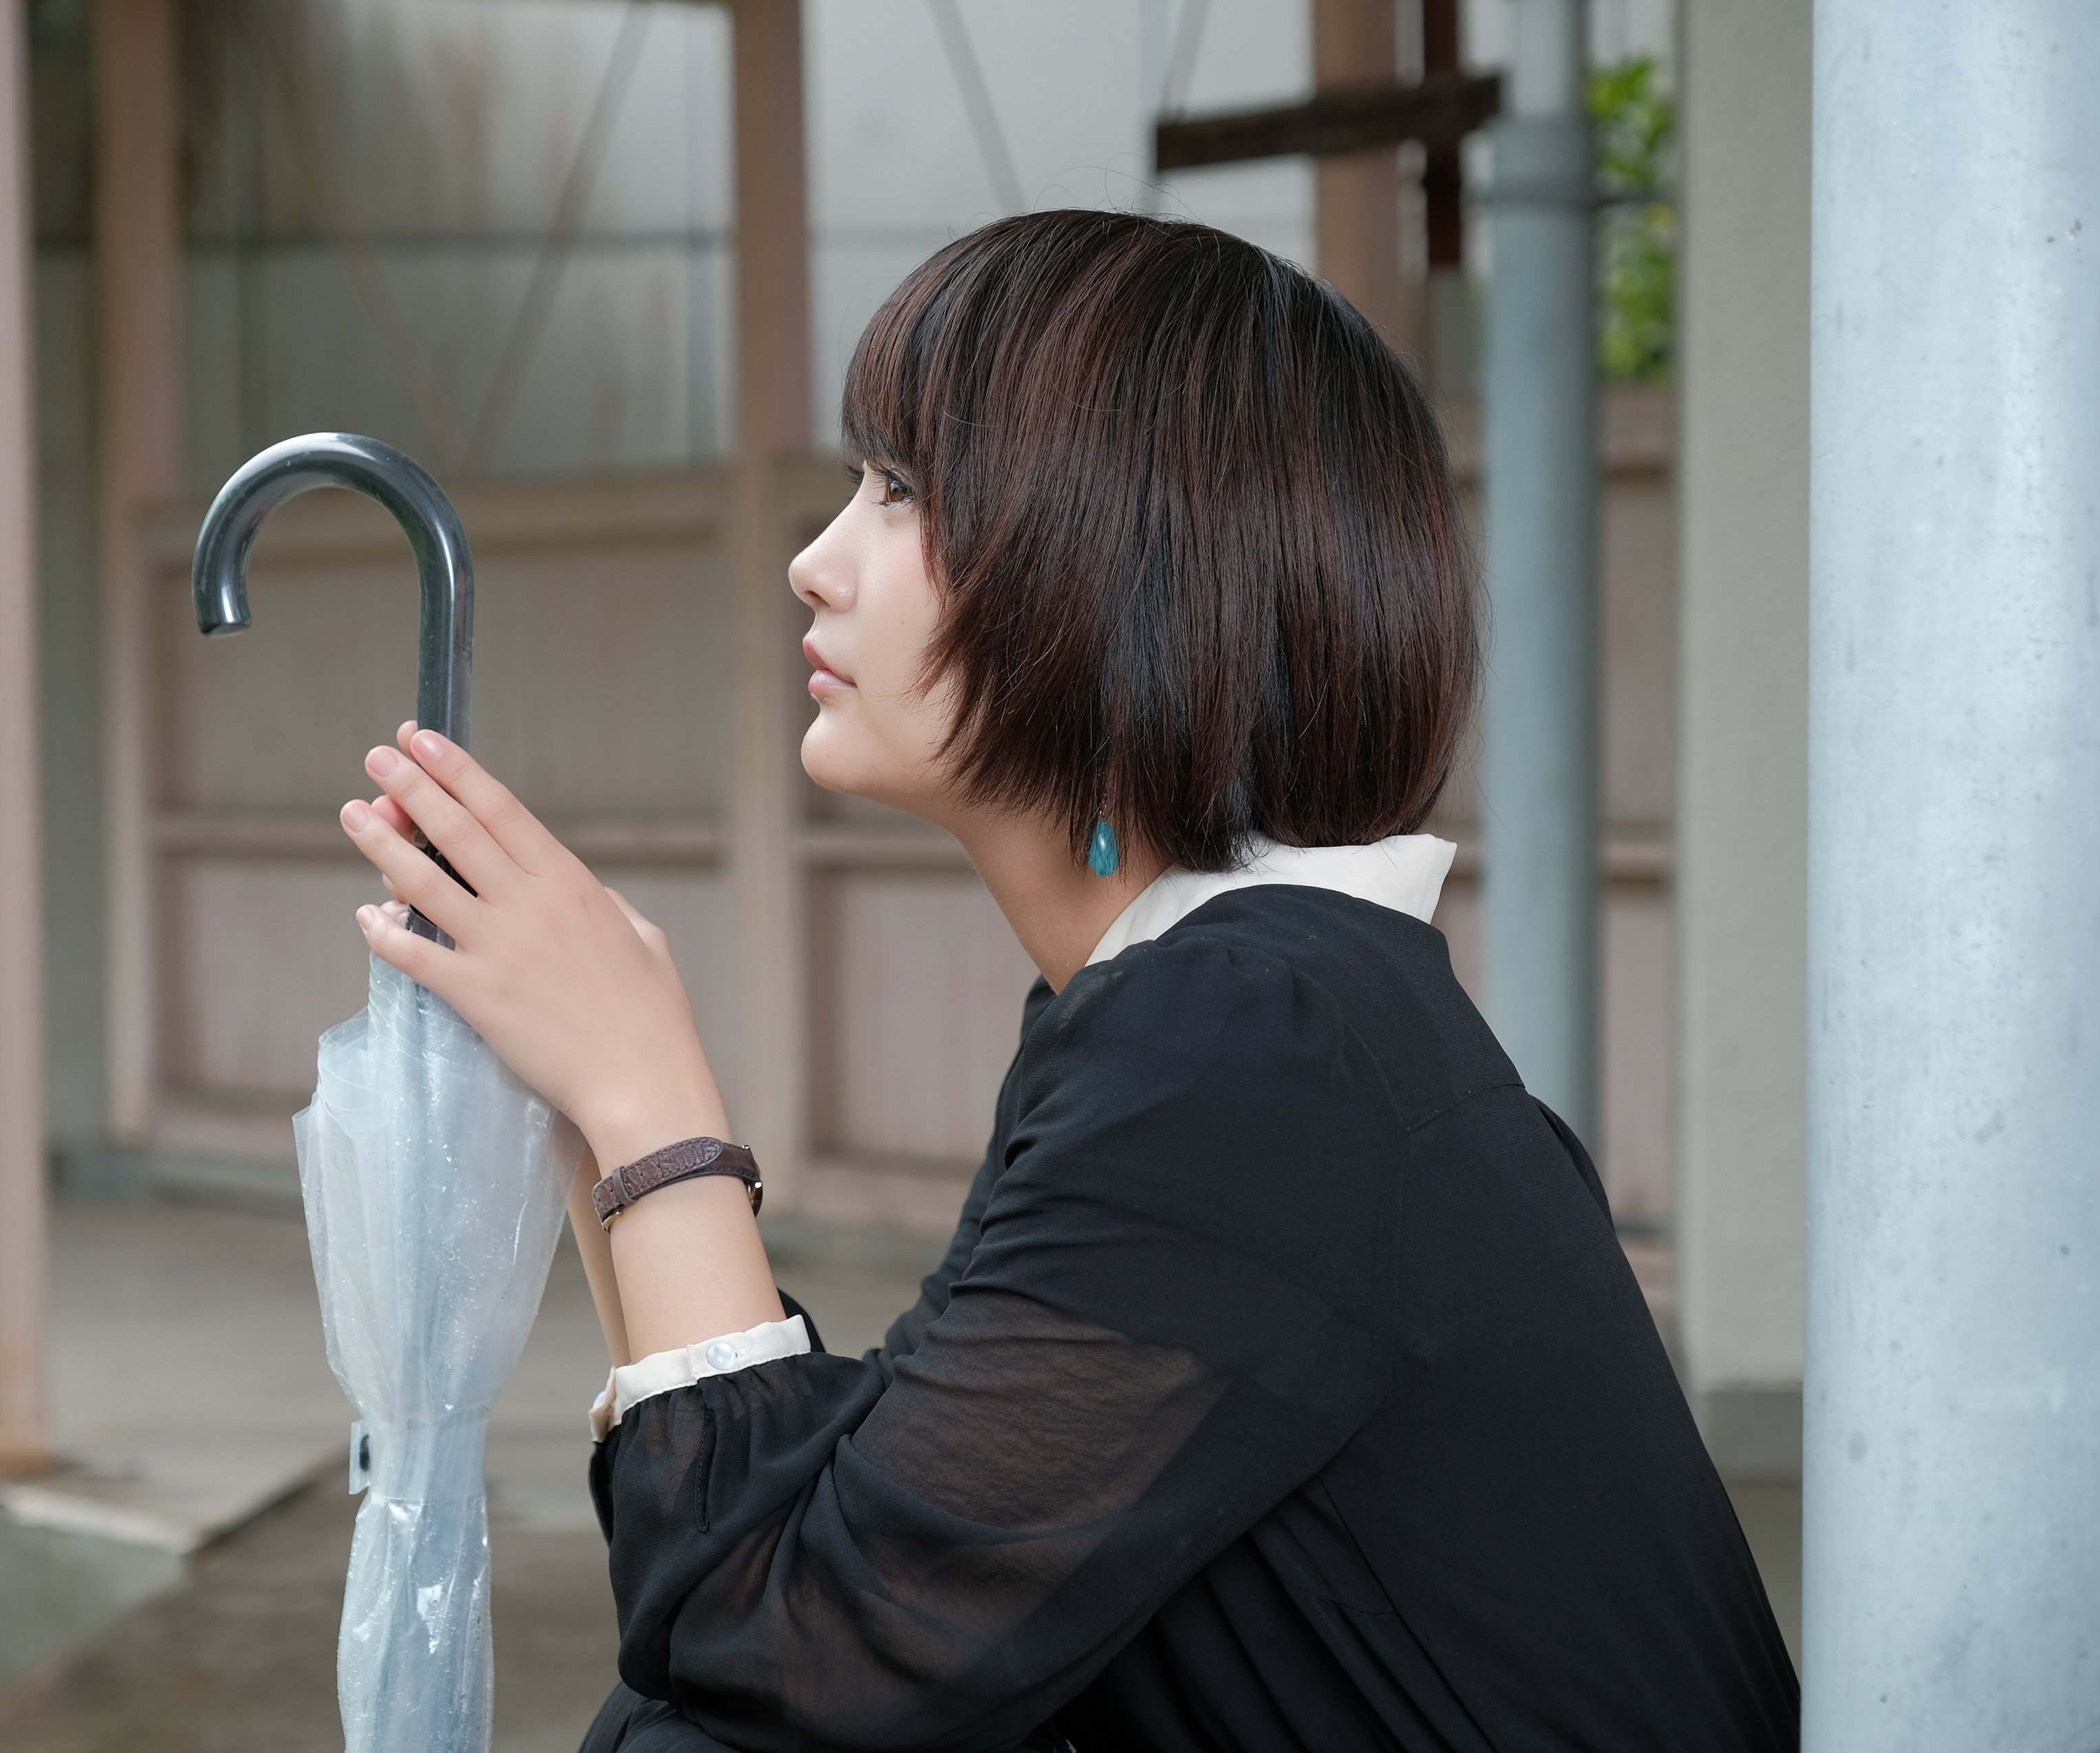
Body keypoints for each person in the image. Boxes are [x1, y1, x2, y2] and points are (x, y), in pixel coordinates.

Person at [336, 209, 1798, 1752]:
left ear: (1129, 571)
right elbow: (883, 1523)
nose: (814, 562)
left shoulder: (1251, 1048)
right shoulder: (1236, 1013)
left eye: (903, 492)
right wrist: (597, 1108)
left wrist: (651, 1106)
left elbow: (799, 1652)